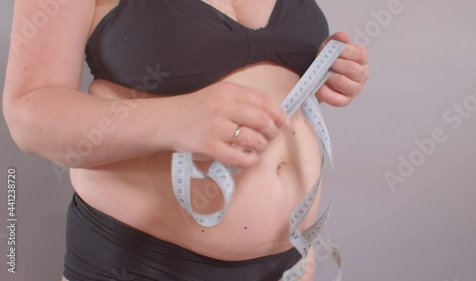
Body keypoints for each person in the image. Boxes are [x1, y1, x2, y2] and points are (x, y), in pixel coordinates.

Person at [3, 0, 369, 280]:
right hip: (146, 264)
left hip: (290, 262)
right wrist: (172, 119)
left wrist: (323, 73)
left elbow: (259, 76)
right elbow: (29, 111)